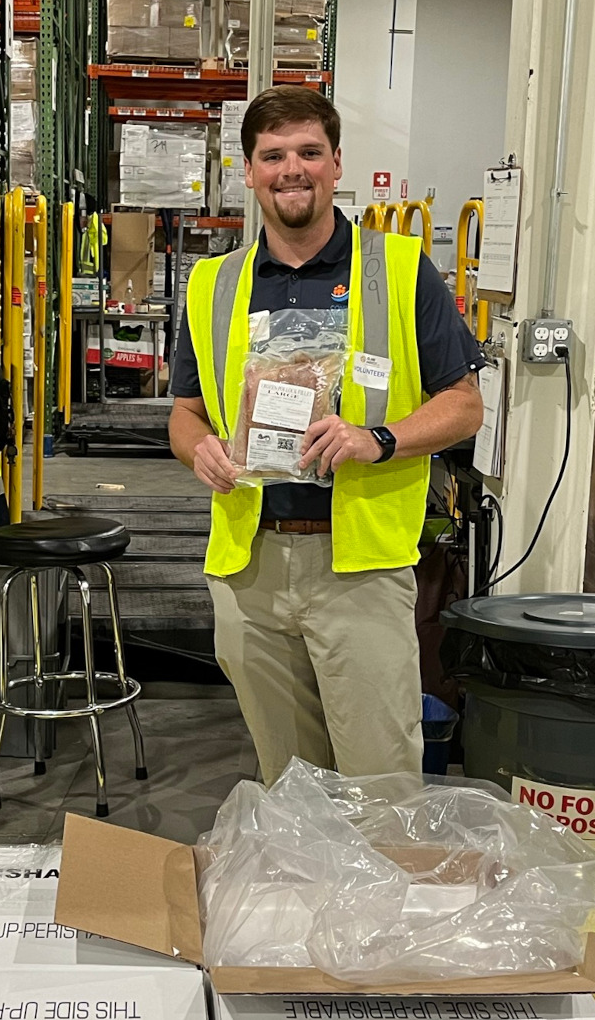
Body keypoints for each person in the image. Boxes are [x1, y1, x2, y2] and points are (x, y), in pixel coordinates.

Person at [168, 86, 486, 786]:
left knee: (381, 781)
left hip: (360, 568)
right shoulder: (212, 284)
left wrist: (379, 438)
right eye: (273, 155)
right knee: (289, 787)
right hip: (250, 568)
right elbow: (185, 413)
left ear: (336, 163)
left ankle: (379, 865)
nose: (292, 169)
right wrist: (200, 449)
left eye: (309, 152)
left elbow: (464, 406)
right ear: (249, 171)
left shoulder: (398, 268)